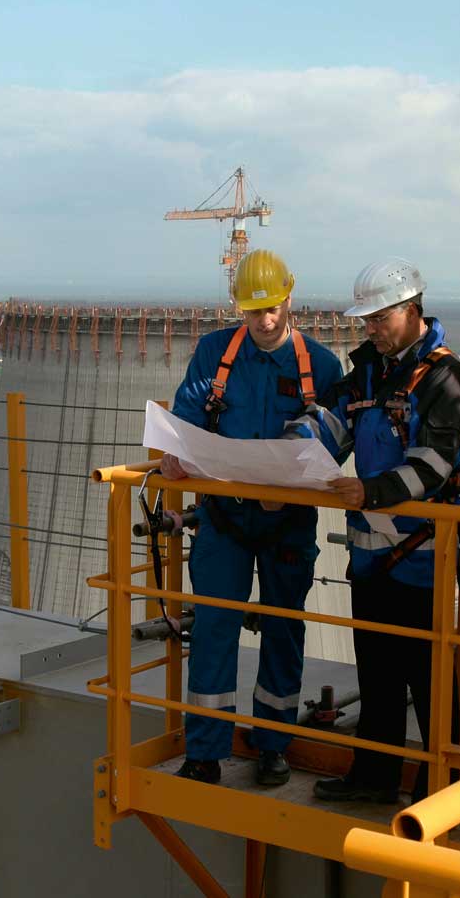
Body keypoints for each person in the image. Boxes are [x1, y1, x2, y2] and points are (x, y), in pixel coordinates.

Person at [287, 257, 460, 804]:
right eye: (366, 319)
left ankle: (441, 788)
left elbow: (435, 463)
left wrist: (369, 492)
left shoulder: (447, 380)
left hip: (422, 555)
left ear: (412, 311)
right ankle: (374, 778)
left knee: (427, 677)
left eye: (379, 318)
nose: (370, 328)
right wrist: (290, 445)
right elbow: (332, 419)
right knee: (376, 672)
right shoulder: (371, 371)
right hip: (373, 555)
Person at [159, 249, 344, 787]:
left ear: (290, 298)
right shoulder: (216, 354)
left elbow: (332, 448)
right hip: (225, 519)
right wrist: (176, 453)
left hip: (289, 520)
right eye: (252, 311)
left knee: (283, 627)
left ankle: (273, 745)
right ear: (238, 307)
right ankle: (205, 751)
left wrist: (285, 490)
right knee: (215, 627)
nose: (263, 322)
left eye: (271, 309)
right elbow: (187, 417)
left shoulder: (322, 368)